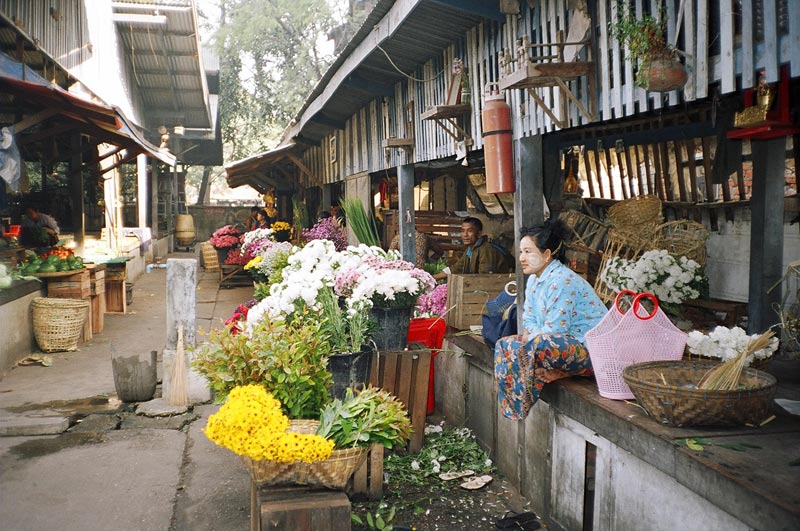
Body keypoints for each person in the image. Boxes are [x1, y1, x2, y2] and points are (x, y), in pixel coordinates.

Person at [494, 218, 606, 421]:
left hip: (592, 350)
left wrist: (531, 339)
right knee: (504, 345)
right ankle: (515, 409)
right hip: (559, 347)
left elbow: (555, 331)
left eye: (528, 252)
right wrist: (530, 337)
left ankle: (574, 371)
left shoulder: (562, 280)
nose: (521, 258)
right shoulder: (534, 281)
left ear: (546, 255)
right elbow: (528, 319)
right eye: (521, 251)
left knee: (539, 343)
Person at [433, 217, 511, 279]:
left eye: (469, 231)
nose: (465, 235)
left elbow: (486, 277)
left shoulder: (486, 250)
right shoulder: (470, 249)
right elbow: (457, 268)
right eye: (463, 231)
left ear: (479, 233)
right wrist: (433, 278)